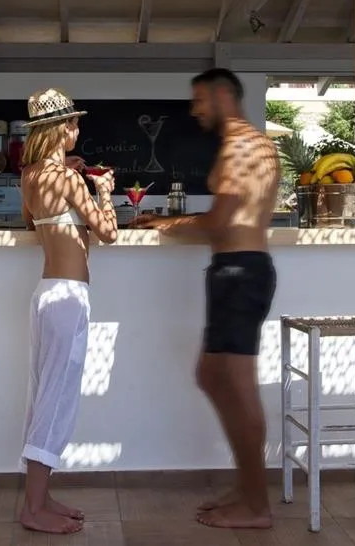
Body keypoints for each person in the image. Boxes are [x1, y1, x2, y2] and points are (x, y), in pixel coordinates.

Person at [131, 68, 279, 530]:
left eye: (199, 100)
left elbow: (221, 221)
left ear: (221, 96)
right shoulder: (249, 143)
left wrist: (167, 223)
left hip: (240, 273)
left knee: (236, 384)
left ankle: (257, 504)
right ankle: (247, 486)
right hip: (235, 273)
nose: (194, 110)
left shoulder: (241, 146)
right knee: (213, 375)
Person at [18, 88, 118, 535]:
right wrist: (104, 191)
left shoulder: (30, 176)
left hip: (45, 294)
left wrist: (69, 177)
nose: (77, 129)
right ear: (62, 129)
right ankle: (32, 509)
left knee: (42, 395)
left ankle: (40, 498)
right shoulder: (70, 180)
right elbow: (108, 232)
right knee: (56, 399)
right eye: (74, 123)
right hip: (69, 297)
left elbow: (31, 221)